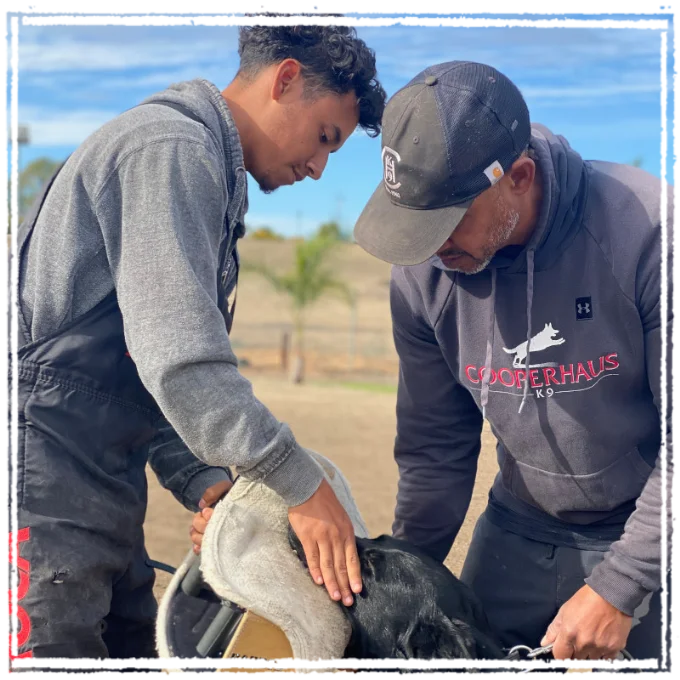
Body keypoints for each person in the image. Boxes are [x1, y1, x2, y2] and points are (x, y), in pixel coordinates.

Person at [1, 9, 386, 679]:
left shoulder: (206, 173)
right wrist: (299, 487)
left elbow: (144, 376)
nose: (322, 168)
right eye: (325, 136)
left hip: (96, 487)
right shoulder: (169, 149)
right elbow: (182, 364)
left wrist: (213, 489)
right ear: (286, 79)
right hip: (33, 478)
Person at [351, 61, 677, 678]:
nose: (427, 249)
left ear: (518, 178)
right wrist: (398, 593)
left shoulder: (655, 237)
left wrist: (620, 586)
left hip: (657, 529)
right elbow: (434, 448)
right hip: (522, 523)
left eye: (444, 223)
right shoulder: (424, 273)